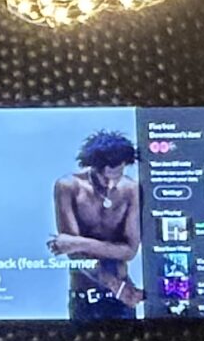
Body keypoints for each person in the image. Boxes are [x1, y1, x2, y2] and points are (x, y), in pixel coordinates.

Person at [52, 130, 144, 315]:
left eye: (117, 175)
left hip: (122, 298)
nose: (111, 183)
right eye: (106, 177)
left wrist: (78, 242)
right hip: (85, 295)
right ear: (93, 167)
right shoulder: (69, 186)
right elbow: (75, 255)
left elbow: (129, 251)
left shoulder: (131, 189)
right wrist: (114, 284)